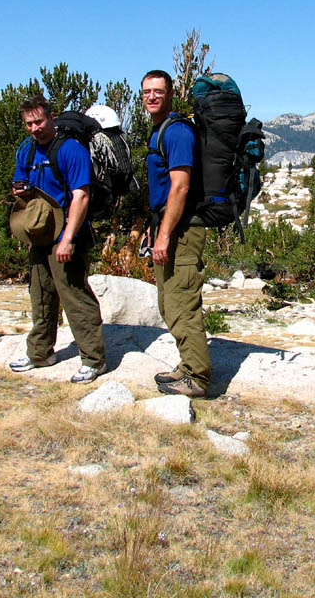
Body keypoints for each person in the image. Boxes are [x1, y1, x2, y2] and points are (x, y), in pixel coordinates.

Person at [9, 95, 106, 383]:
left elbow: (82, 195)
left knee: (74, 295)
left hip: (67, 233)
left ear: (51, 118)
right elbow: (20, 185)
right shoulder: (25, 151)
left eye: (39, 121)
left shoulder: (70, 150)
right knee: (40, 295)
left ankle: (93, 359)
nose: (34, 128)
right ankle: (40, 353)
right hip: (39, 233)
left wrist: (68, 239)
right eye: (29, 123)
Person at [142, 69, 209, 398]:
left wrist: (165, 235)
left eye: (157, 91)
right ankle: (188, 364)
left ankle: (197, 377)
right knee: (169, 303)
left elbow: (180, 187)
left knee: (182, 301)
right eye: (146, 92)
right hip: (167, 225)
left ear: (170, 94)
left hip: (183, 229)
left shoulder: (177, 132)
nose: (151, 97)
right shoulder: (160, 131)